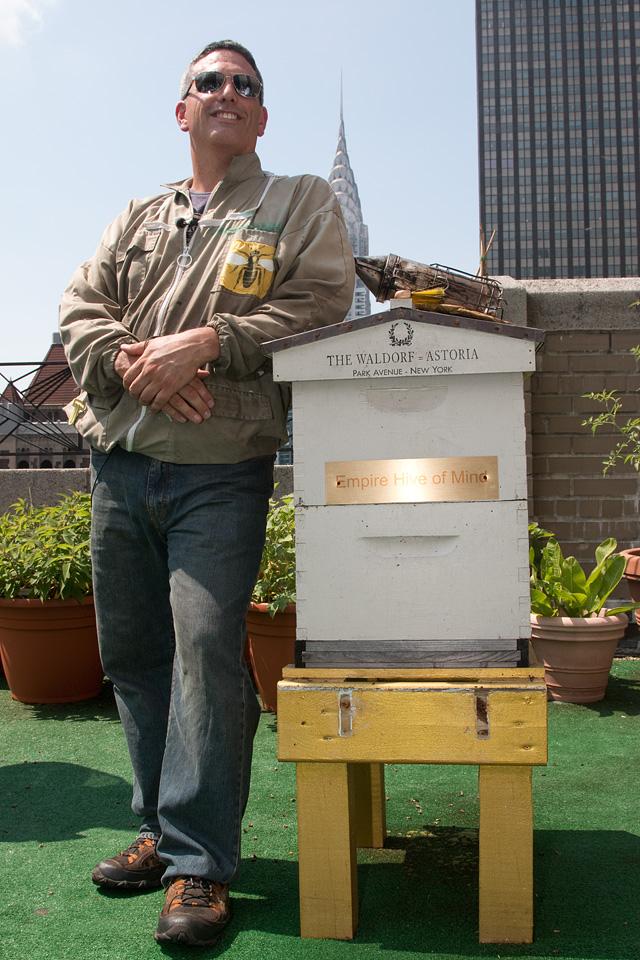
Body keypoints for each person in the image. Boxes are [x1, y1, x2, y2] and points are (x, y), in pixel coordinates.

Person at [59, 39, 354, 947]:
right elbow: (79, 308)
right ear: (182, 111)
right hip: (120, 463)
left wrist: (207, 342)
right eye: (208, 83)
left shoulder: (298, 202)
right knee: (136, 657)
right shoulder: (138, 216)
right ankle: (158, 827)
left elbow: (320, 302)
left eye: (246, 86)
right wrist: (131, 366)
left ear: (261, 116)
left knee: (205, 654)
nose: (227, 92)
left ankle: (198, 868)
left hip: (220, 471)